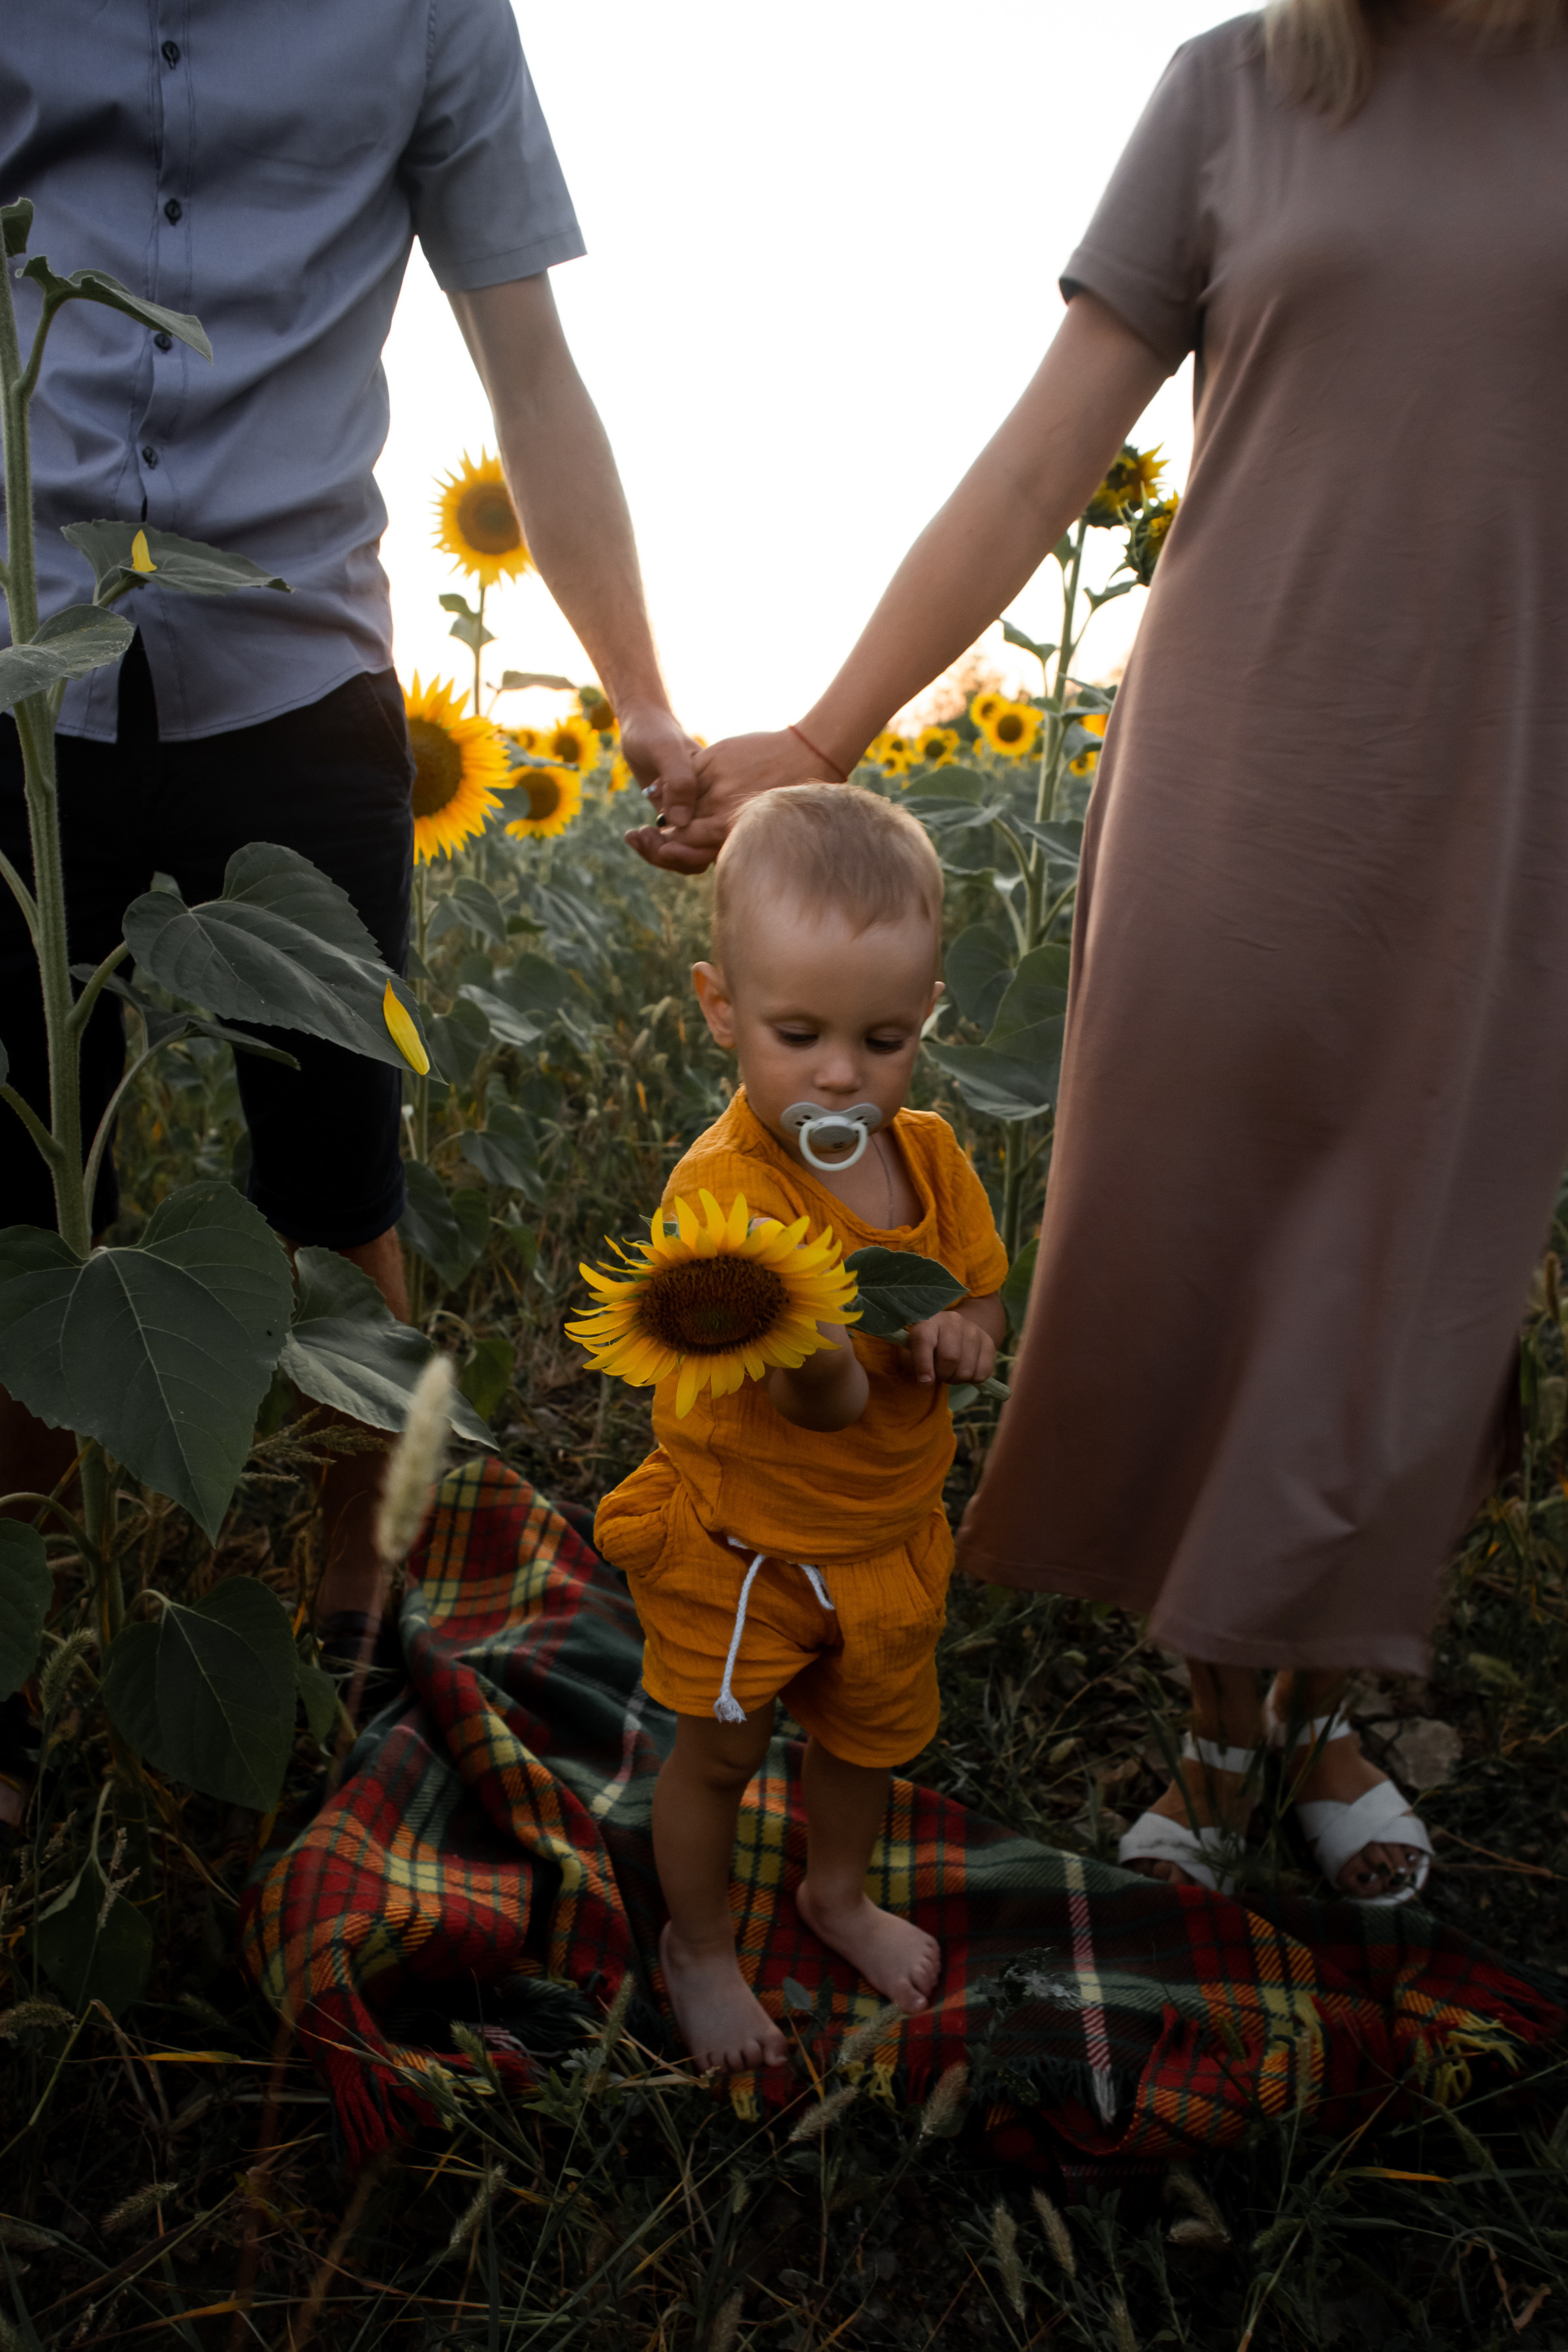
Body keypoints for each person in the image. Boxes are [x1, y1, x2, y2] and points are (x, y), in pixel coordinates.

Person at [630, 0, 1568, 1902]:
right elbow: (1044, 455)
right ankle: (1230, 1732)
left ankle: (1316, 1706)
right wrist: (824, 738)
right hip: (1249, 769)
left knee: (1426, 1262)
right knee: (1225, 1237)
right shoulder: (1238, 86)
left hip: (1511, 770)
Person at [0, 1, 696, 1814]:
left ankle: (353, 1628)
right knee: (7, 1196)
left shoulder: (426, 15)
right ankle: (7, 1655)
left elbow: (529, 370)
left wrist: (636, 700)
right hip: (11, 659)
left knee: (337, 1190)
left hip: (296, 662)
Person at [592, 787, 1007, 2071]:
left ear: (925, 1017)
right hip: (748, 1549)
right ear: (722, 1010)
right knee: (717, 1757)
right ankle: (701, 1948)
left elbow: (980, 1285)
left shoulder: (929, 1157)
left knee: (861, 1741)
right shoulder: (724, 1197)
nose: (841, 1073)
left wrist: (963, 1334)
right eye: (798, 1033)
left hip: (885, 1540)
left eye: (884, 1039)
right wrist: (823, 1350)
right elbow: (811, 1401)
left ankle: (836, 1893)